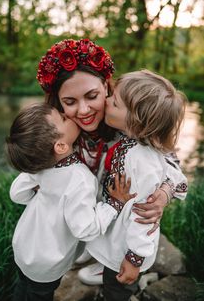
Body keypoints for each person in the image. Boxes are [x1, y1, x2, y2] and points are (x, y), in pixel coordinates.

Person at [36, 38, 188, 288]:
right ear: (58, 102)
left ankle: (110, 260)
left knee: (119, 211)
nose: (83, 110)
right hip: (89, 201)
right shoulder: (61, 129)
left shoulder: (129, 122)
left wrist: (163, 193)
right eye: (70, 102)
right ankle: (89, 246)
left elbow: (169, 164)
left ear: (107, 87)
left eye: (92, 96)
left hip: (120, 208)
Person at [6, 103, 134, 301]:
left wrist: (35, 175)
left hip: (24, 247)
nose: (67, 114)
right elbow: (85, 229)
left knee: (22, 289)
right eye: (63, 119)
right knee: (39, 295)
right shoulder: (80, 179)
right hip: (47, 262)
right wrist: (113, 205)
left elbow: (17, 194)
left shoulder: (41, 165)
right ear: (61, 146)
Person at [86, 70, 188, 301]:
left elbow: (144, 216)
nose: (106, 101)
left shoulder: (143, 161)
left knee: (117, 290)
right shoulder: (132, 142)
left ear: (136, 121)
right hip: (118, 236)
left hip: (126, 244)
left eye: (115, 102)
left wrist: (134, 259)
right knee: (112, 281)